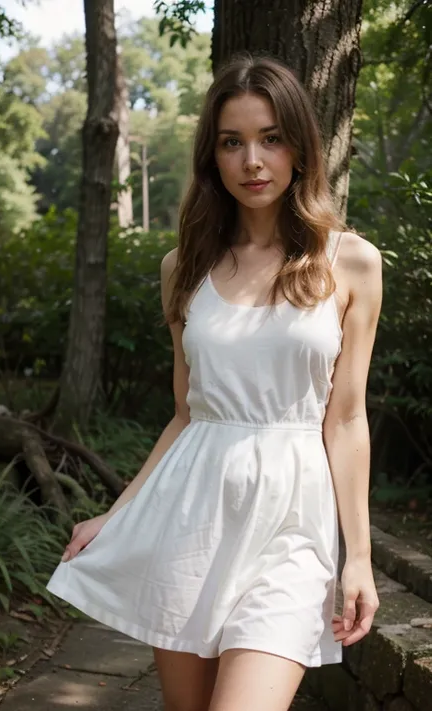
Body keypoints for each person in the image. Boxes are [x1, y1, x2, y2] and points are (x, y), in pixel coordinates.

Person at [47, 54, 382, 711]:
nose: (252, 160)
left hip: (292, 525)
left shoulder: (351, 262)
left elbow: (344, 421)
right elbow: (186, 413)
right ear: (212, 156)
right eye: (233, 142)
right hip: (190, 519)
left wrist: (359, 557)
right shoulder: (185, 267)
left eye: (270, 138)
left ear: (299, 148)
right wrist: (117, 514)